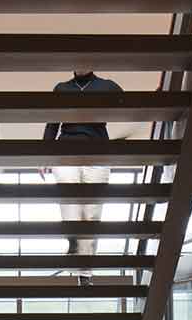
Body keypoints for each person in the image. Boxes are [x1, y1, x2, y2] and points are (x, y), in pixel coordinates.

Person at [42, 71, 132, 287]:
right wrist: (45, 154)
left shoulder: (107, 85)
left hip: (98, 153)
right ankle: (73, 243)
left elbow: (129, 103)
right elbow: (52, 123)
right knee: (70, 205)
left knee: (91, 215)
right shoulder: (62, 88)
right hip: (66, 151)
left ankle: (85, 273)